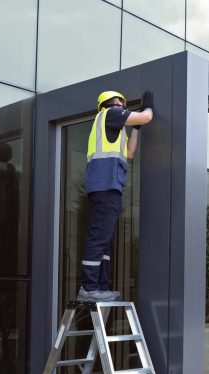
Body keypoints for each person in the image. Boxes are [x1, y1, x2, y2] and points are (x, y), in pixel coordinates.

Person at [78, 90, 154, 302]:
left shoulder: (115, 127)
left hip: (109, 187)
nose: (123, 104)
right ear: (109, 102)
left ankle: (99, 286)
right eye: (120, 100)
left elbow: (130, 153)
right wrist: (147, 110)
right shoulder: (108, 114)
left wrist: (136, 128)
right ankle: (89, 287)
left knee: (105, 240)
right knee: (98, 237)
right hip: (105, 185)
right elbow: (147, 116)